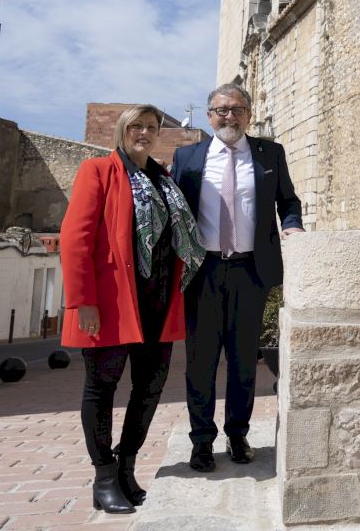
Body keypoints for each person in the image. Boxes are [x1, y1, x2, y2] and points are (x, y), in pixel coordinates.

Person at [60, 104, 204, 513]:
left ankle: (126, 467)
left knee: (150, 387)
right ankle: (103, 477)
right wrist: (83, 301)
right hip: (113, 302)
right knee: (102, 387)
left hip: (158, 301)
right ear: (122, 131)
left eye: (151, 127)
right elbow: (75, 239)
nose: (144, 133)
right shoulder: (98, 171)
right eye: (136, 126)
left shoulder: (165, 181)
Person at [170, 84, 304, 472]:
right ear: (209, 116)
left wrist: (292, 225)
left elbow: (288, 201)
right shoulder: (187, 157)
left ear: (249, 114)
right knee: (201, 361)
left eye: (238, 109)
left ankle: (237, 434)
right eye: (222, 110)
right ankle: (201, 441)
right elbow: (174, 209)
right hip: (203, 272)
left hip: (251, 271)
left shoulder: (270, 154)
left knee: (244, 360)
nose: (230, 116)